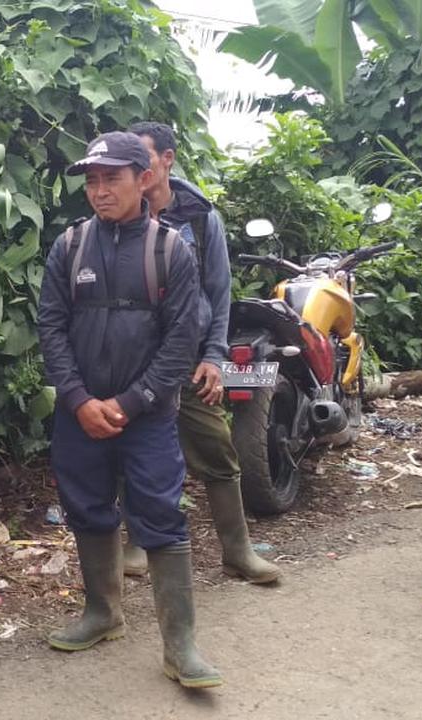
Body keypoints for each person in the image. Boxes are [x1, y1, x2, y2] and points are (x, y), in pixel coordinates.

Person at [38, 131, 221, 689]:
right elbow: (51, 328)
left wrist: (130, 401)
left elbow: (181, 340)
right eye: (92, 181)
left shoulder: (171, 251)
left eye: (111, 178)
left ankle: (180, 645)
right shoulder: (69, 247)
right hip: (81, 415)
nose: (99, 191)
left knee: (161, 516)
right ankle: (103, 613)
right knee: (87, 508)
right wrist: (78, 400)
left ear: (143, 179)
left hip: (148, 416)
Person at [126, 121, 280, 584]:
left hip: (188, 360)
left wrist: (213, 356)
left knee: (216, 448)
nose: (135, 170)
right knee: (135, 453)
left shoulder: (199, 218)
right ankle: (136, 543)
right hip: (136, 361)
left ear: (167, 159)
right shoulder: (122, 216)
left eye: (143, 159)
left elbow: (218, 292)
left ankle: (238, 551)